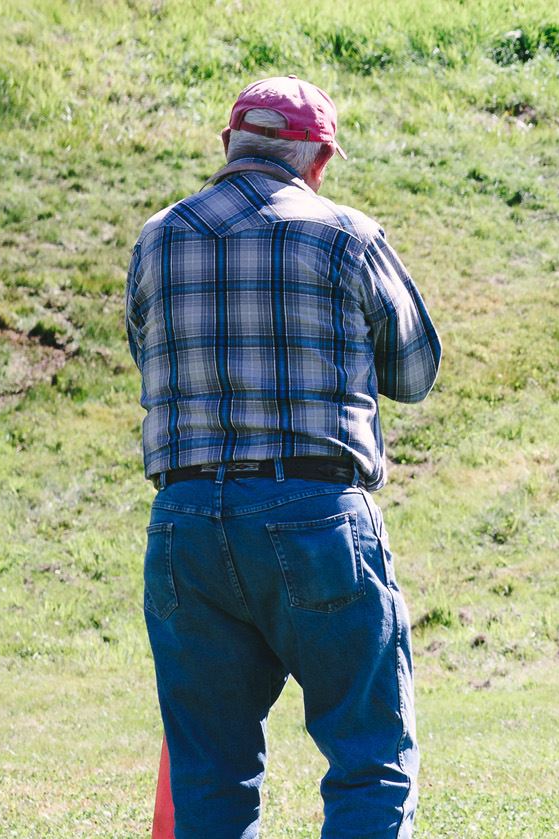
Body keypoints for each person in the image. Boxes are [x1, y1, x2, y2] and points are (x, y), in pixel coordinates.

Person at [124, 74, 440, 838]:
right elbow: (415, 372)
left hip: (186, 520)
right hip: (316, 515)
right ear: (318, 158)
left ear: (229, 145)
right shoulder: (346, 235)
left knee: (210, 774)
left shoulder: (157, 237)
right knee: (368, 758)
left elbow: (146, 353)